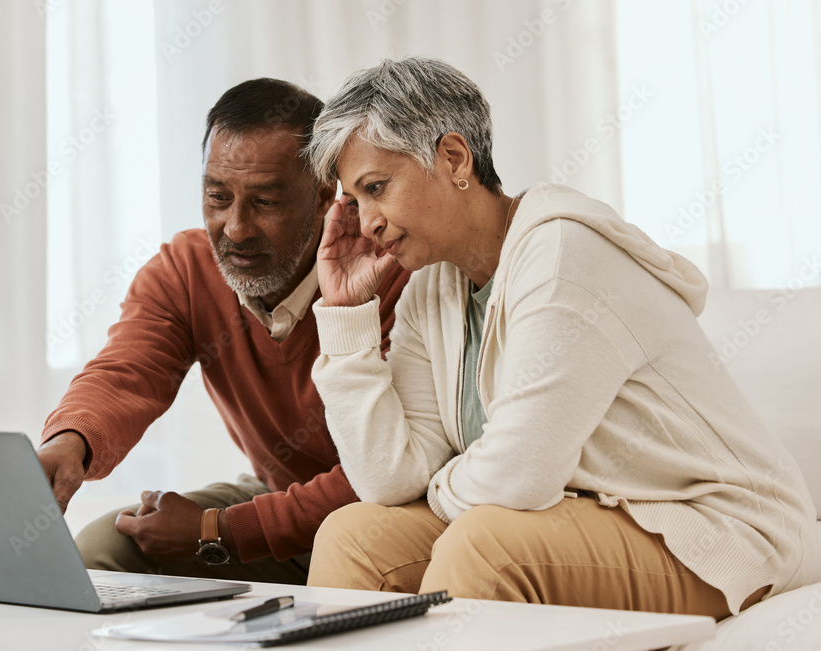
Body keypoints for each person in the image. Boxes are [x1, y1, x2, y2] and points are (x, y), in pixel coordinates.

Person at [304, 57, 821, 618]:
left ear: (454, 159)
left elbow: (519, 475)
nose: (368, 221)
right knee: (351, 535)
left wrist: (443, 485)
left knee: (486, 547)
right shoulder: (432, 290)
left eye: (377, 188)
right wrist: (346, 315)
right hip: (583, 515)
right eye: (354, 201)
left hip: (711, 526)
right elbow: (391, 476)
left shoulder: (565, 255)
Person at [36, 78, 410, 585]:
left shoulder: (394, 276)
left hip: (384, 509)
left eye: (265, 202)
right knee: (105, 546)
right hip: (280, 497)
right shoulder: (186, 269)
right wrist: (69, 441)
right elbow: (127, 372)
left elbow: (387, 474)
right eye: (217, 197)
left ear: (325, 195)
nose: (234, 228)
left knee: (347, 548)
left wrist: (218, 528)